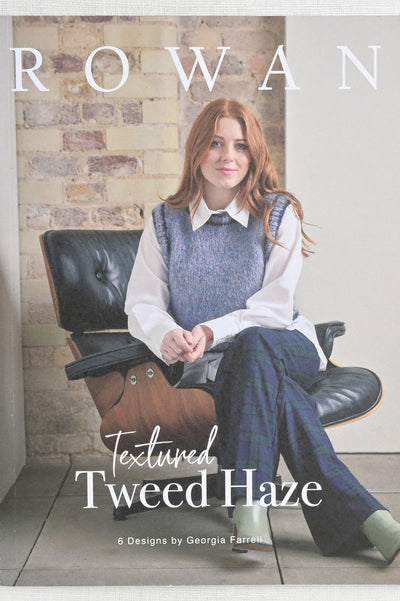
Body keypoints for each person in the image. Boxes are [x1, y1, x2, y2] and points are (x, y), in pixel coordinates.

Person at [124, 98, 400, 562]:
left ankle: (249, 502)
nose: (228, 156)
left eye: (241, 146)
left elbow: (273, 310)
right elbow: (142, 303)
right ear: (196, 149)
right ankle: (366, 518)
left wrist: (208, 330)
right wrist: (165, 333)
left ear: (255, 155)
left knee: (253, 343)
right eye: (215, 143)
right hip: (217, 365)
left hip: (286, 345)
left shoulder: (277, 212)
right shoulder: (164, 222)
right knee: (272, 387)